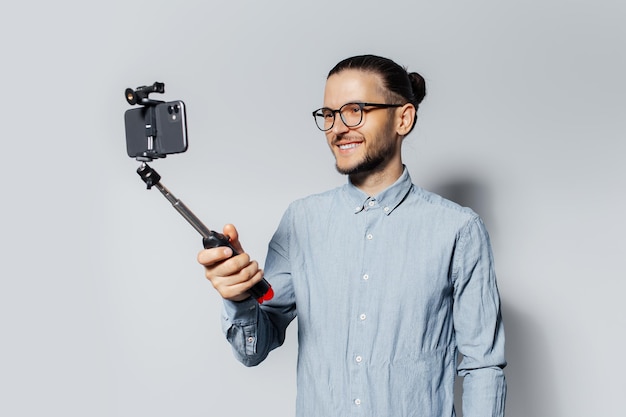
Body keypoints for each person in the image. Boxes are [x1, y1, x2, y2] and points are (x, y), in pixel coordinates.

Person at [197, 54, 507, 417]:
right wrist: (239, 297)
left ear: (402, 118)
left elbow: (483, 366)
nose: (338, 127)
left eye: (355, 110)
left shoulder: (458, 230)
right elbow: (253, 350)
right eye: (329, 114)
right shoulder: (301, 221)